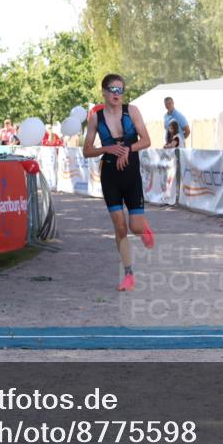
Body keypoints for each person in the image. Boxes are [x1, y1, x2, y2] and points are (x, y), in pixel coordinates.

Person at [83, 73, 154, 291]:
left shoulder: (131, 111)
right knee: (120, 227)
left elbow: (147, 140)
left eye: (120, 90)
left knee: (135, 226)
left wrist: (127, 150)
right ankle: (129, 274)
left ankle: (143, 228)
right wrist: (108, 148)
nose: (117, 94)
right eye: (113, 90)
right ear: (104, 92)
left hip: (131, 175)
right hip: (110, 176)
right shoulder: (96, 117)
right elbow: (86, 151)